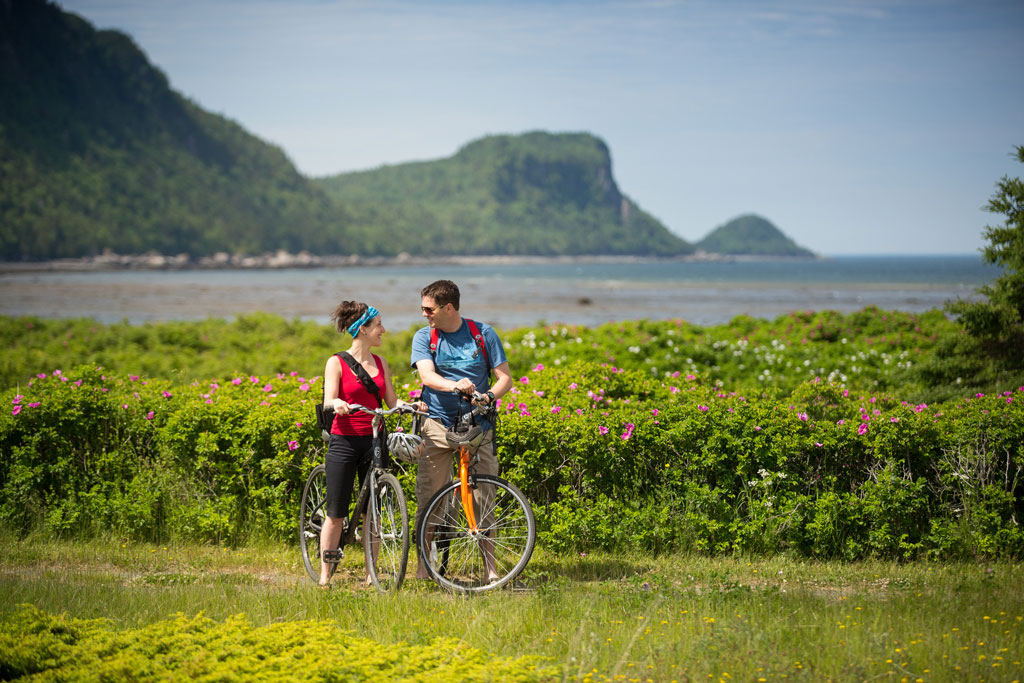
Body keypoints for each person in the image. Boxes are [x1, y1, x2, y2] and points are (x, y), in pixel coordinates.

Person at [410, 279, 513, 580]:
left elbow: (504, 378)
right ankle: (422, 568)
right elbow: (427, 377)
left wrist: (489, 396)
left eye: (428, 309)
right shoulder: (424, 337)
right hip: (437, 426)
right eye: (423, 308)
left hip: (478, 425)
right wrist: (454, 385)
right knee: (430, 498)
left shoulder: (483, 333)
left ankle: (490, 569)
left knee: (483, 498)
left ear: (449, 308)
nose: (424, 314)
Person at [318, 300, 424, 588]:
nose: (384, 331)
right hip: (344, 441)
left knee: (373, 513)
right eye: (378, 326)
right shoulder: (336, 362)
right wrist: (338, 403)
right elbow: (329, 399)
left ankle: (371, 573)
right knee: (336, 512)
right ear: (362, 329)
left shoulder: (380, 363)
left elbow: (391, 402)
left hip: (375, 441)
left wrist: (412, 405)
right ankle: (325, 576)